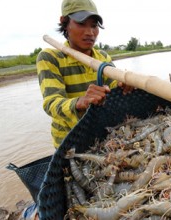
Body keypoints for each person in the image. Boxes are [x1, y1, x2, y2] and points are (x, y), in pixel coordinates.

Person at [36, 0, 132, 149]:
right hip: (69, 142)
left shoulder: (102, 58)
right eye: (81, 24)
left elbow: (113, 89)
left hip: (101, 135)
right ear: (65, 23)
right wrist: (81, 101)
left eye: (93, 25)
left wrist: (124, 86)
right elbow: (51, 104)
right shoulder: (50, 58)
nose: (90, 32)